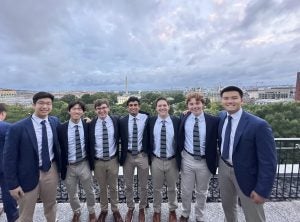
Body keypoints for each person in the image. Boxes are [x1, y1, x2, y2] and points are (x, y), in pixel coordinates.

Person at [218, 86, 277, 222]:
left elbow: (268, 161)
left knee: (253, 214)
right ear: (222, 101)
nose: (230, 101)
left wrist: (262, 190)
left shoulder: (258, 125)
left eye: (234, 98)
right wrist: (188, 113)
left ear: (242, 100)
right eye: (226, 98)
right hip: (224, 168)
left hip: (247, 175)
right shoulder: (222, 117)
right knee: (228, 208)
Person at [3, 92, 61, 222]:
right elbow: (9, 158)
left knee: (51, 205)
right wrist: (12, 185)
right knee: (25, 212)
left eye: (48, 103)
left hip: (50, 170)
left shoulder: (55, 122)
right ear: (34, 104)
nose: (45, 106)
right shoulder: (17, 128)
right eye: (41, 103)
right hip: (26, 174)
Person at [178, 92, 219, 222]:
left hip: (205, 162)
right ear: (188, 106)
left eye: (197, 103)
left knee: (202, 192)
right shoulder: (183, 118)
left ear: (203, 104)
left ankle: (199, 216)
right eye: (191, 104)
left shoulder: (213, 121)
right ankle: (185, 213)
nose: (195, 106)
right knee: (186, 190)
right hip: (187, 159)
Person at [57, 100, 96, 222]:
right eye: (74, 108)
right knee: (72, 193)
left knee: (90, 191)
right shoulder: (61, 128)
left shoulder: (87, 125)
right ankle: (76, 211)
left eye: (79, 109)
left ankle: (92, 211)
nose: (76, 111)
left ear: (83, 112)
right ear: (69, 111)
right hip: (68, 166)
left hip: (84, 163)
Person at [89, 99, 123, 222]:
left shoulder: (116, 121)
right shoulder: (91, 123)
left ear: (108, 108)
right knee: (102, 187)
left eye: (104, 107)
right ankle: (103, 210)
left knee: (113, 187)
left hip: (113, 160)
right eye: (98, 108)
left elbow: (142, 115)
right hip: (98, 161)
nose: (101, 110)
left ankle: (115, 210)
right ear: (95, 110)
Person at [148, 97, 180, 222]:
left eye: (164, 105)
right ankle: (157, 211)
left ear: (168, 106)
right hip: (156, 160)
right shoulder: (151, 121)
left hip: (172, 160)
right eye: (159, 106)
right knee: (156, 188)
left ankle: (172, 210)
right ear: (156, 108)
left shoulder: (177, 120)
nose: (162, 108)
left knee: (172, 188)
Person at [119, 96, 150, 222]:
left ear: (139, 106)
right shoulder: (122, 121)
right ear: (127, 107)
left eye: (135, 105)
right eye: (130, 105)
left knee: (144, 185)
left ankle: (142, 208)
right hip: (128, 156)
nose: (133, 107)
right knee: (128, 185)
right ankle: (130, 207)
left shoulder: (146, 118)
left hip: (142, 155)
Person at [0, 103, 19, 222]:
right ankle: (12, 218)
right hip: (5, 167)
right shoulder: (7, 127)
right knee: (8, 196)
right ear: (3, 114)